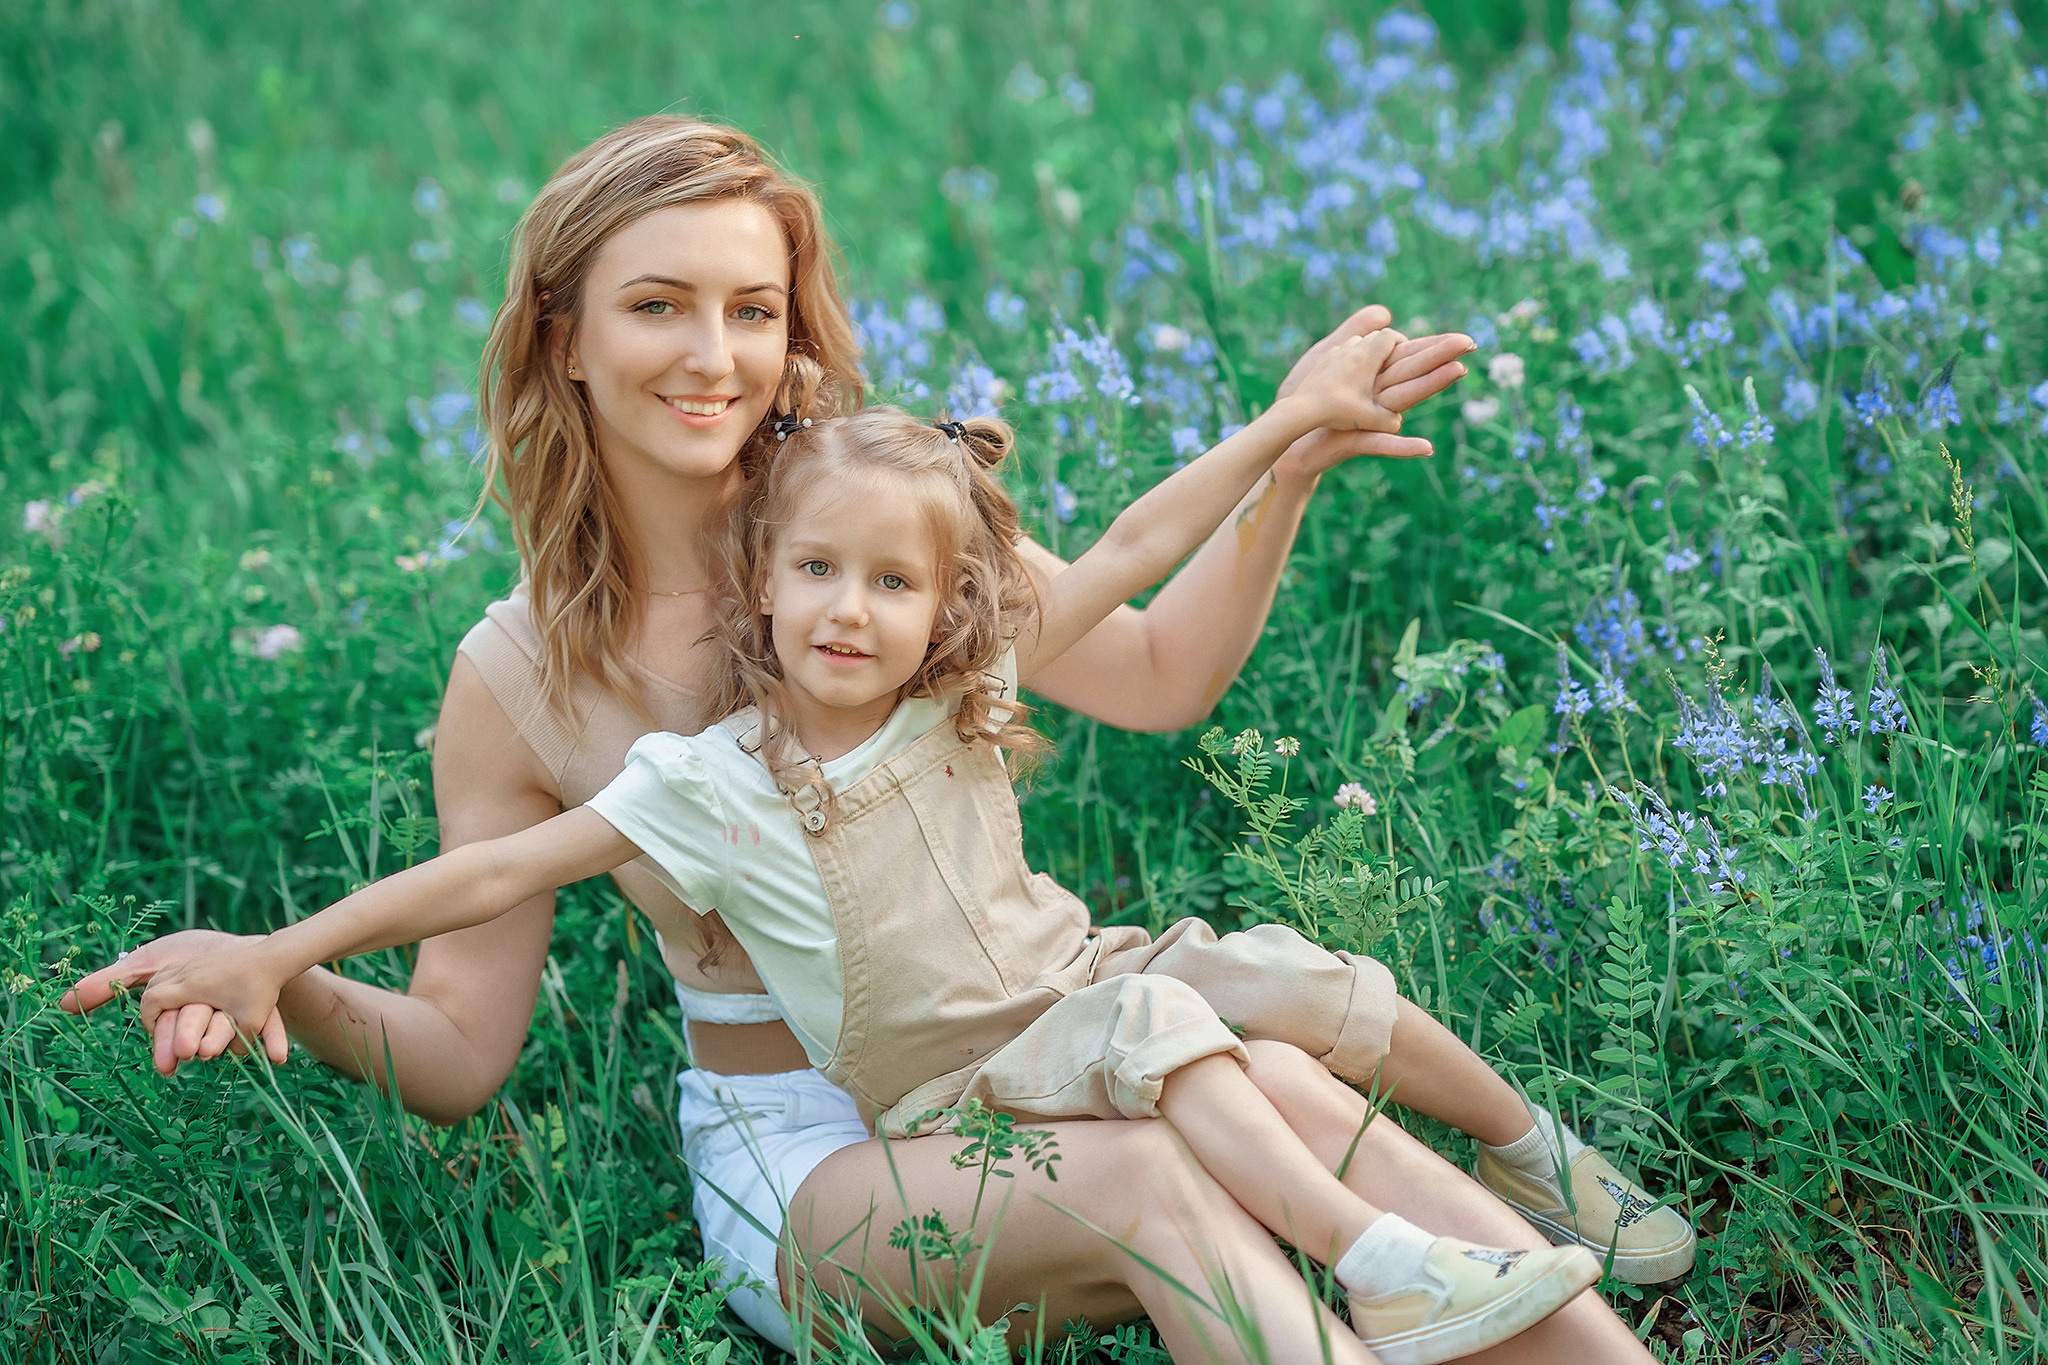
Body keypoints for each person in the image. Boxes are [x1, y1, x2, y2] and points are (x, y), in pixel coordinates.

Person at [64, 116, 1669, 1363]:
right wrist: (278, 975)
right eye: (657, 306)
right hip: (810, 1168)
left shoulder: (867, 533)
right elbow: (459, 1056)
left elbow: (1163, 664)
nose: (713, 354)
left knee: (1276, 1085)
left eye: (750, 308)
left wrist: (1289, 468)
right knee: (1154, 1173)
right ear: (561, 335)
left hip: (1016, 1042)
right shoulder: (515, 677)